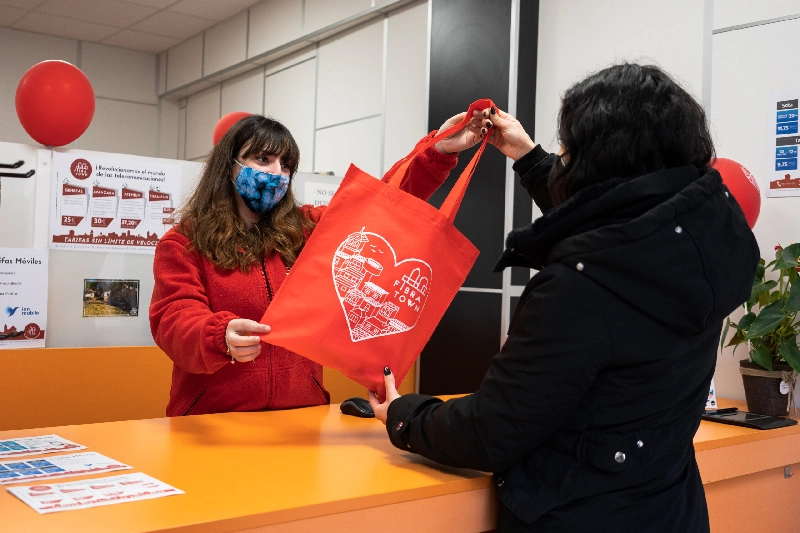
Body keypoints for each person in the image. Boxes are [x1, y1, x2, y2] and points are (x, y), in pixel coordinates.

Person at [368, 63, 760, 532]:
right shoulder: (699, 249)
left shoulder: (579, 287)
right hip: (670, 511)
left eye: (568, 148)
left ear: (598, 160)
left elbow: (491, 431)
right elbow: (620, 229)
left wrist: (404, 415)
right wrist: (528, 156)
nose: (562, 155)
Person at [149, 113, 487, 417]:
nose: (276, 173)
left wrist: (437, 151)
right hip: (212, 423)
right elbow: (173, 318)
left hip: (301, 419)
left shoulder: (307, 229)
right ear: (229, 165)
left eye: (285, 165)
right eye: (263, 159)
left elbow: (385, 204)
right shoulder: (184, 243)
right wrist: (216, 335)